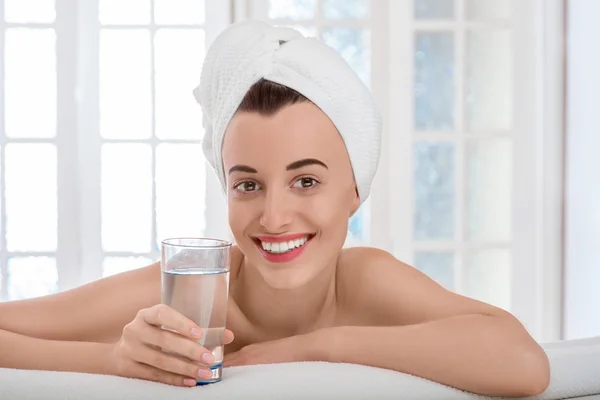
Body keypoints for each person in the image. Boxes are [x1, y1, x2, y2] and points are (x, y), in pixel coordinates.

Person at [0, 20, 550, 397]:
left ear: (354, 191)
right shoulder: (195, 293)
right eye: (248, 185)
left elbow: (525, 364)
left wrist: (318, 348)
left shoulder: (364, 281)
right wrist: (115, 361)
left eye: (305, 181)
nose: (274, 217)